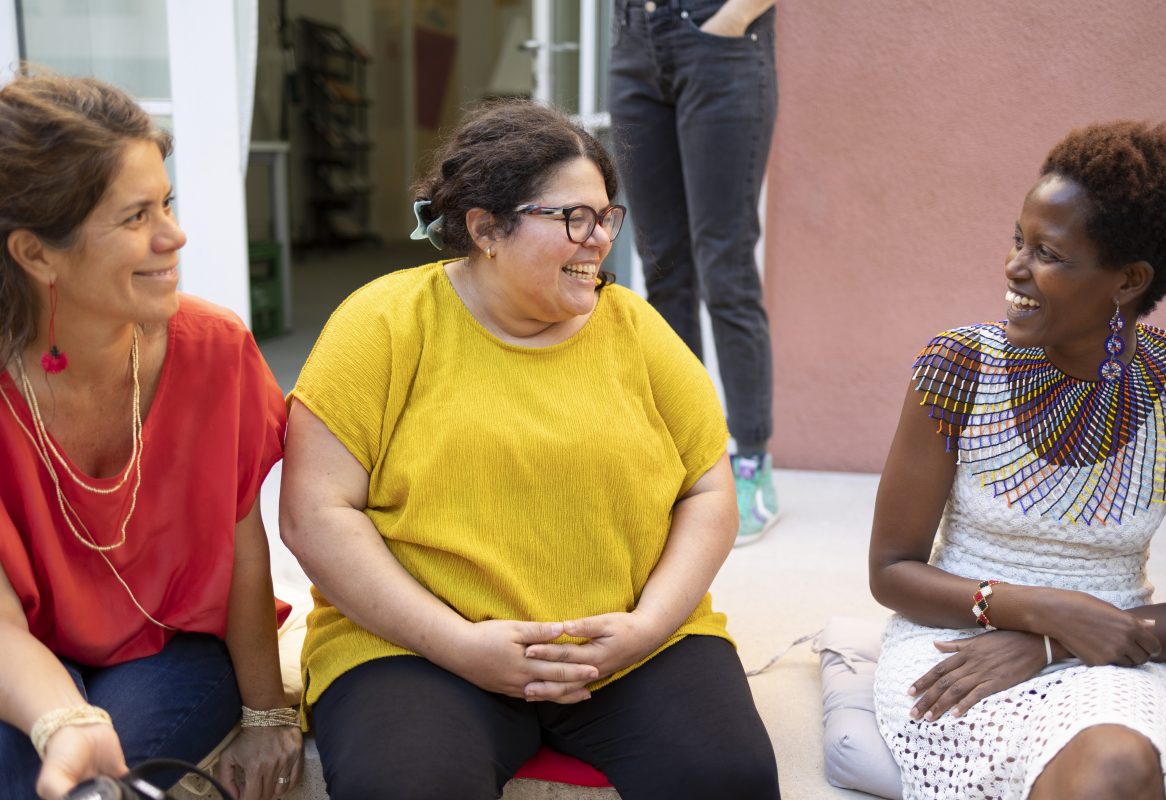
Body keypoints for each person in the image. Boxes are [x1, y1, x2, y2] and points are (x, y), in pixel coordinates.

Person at [279, 98, 780, 800]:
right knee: (409, 787)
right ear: (486, 227)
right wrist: (456, 644)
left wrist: (647, 626)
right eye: (573, 217)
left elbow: (707, 489)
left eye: (606, 215)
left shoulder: (636, 328)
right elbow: (315, 513)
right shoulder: (383, 325)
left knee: (728, 779)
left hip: (631, 645)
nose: (599, 238)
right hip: (415, 648)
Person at [869, 120, 1166, 800]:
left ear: (1128, 280)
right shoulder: (960, 366)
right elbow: (891, 571)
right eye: (1019, 240)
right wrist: (1038, 612)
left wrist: (1055, 644)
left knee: (1120, 763)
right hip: (955, 649)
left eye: (1048, 253)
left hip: (1119, 656)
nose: (1015, 267)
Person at [0, 71, 302, 800]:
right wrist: (61, 718)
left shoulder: (214, 349)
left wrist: (267, 712)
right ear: (36, 253)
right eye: (136, 217)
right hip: (23, 651)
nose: (175, 235)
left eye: (167, 203)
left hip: (168, 647)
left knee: (92, 781)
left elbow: (243, 538)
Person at [609, 0, 780, 545]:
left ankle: (751, 462)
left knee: (725, 270)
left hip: (720, 37)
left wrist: (729, 20)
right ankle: (687, 459)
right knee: (663, 270)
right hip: (635, 38)